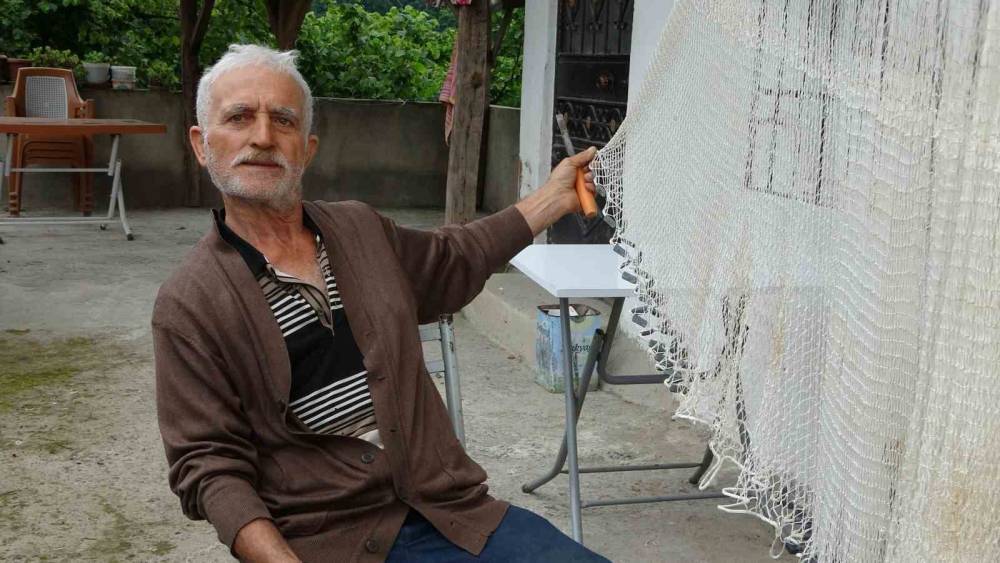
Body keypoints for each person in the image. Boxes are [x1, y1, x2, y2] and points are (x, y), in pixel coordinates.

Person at [153, 44, 606, 563]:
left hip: (449, 513)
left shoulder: (360, 230)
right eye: (238, 118)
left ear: (307, 148)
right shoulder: (189, 304)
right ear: (201, 144)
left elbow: (455, 258)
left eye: (283, 120)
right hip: (324, 540)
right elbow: (210, 467)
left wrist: (554, 198)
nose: (262, 137)